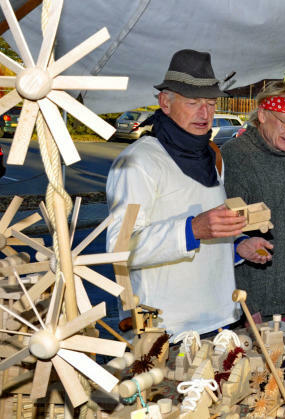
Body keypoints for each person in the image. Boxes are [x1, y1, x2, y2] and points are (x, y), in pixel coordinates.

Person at [106, 49, 271, 337]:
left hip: (219, 319)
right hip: (164, 332)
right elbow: (120, 250)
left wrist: (237, 245)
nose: (205, 113)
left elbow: (207, 235)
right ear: (165, 103)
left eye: (210, 103)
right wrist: (192, 228)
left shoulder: (212, 155)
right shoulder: (137, 162)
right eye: (193, 102)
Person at [221, 81, 285, 317]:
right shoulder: (237, 156)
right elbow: (233, 234)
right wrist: (250, 308)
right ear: (262, 114)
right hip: (255, 306)